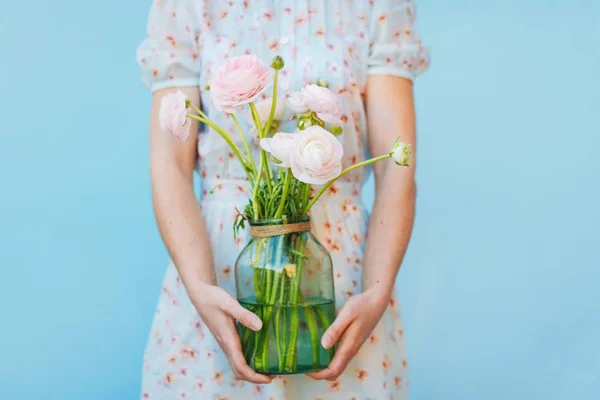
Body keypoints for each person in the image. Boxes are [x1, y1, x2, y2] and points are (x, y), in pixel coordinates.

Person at [137, 1, 429, 398]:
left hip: (341, 286)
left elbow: (397, 171)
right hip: (217, 280)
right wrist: (200, 288)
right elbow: (169, 163)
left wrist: (375, 293)